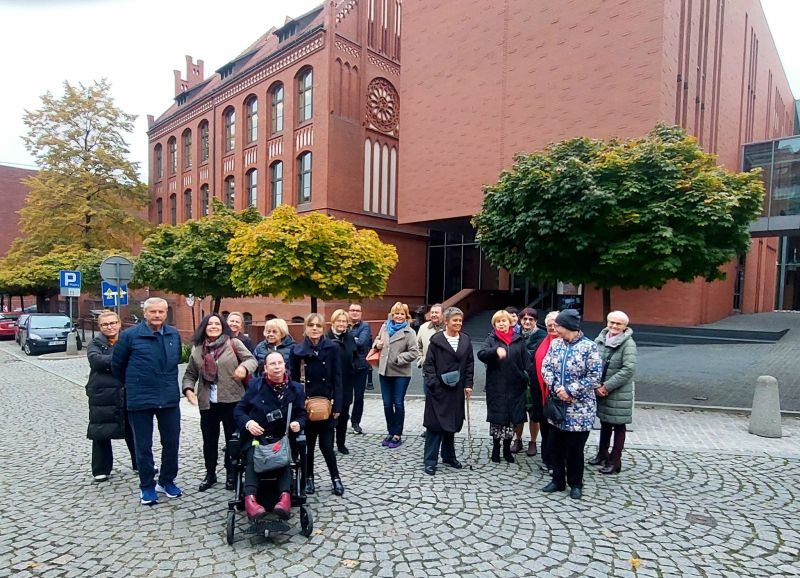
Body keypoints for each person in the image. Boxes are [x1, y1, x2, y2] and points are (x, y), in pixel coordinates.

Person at [112, 297, 183, 506]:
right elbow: (117, 366)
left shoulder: (173, 334)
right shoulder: (130, 336)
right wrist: (135, 384)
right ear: (145, 313)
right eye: (153, 311)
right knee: (143, 445)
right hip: (140, 397)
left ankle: (167, 480)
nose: (157, 315)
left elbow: (176, 360)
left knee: (171, 442)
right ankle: (147, 486)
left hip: (168, 397)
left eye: (161, 312)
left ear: (166, 313)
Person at [182, 313, 257, 492]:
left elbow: (251, 360)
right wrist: (188, 389)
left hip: (232, 399)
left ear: (223, 327)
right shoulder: (198, 349)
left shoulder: (233, 343)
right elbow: (190, 373)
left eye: (217, 324)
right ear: (204, 328)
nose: (213, 327)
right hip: (208, 402)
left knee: (233, 439)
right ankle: (210, 474)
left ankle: (232, 474)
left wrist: (243, 368)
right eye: (210, 324)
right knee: (209, 440)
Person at [234, 351, 306, 521]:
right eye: (272, 364)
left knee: (283, 457)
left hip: (282, 438)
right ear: (265, 368)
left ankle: (284, 499)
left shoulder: (296, 388)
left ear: (285, 365)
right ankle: (251, 500)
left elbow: (302, 414)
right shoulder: (256, 386)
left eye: (280, 363)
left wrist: (298, 423)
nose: (277, 367)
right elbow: (238, 410)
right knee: (253, 456)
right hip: (257, 437)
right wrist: (248, 423)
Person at [541, 308, 602, 500]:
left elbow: (594, 377)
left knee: (574, 449)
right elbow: (545, 367)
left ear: (567, 326)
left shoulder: (589, 347)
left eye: (557, 325)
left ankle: (575, 483)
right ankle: (557, 480)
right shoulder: (556, 344)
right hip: (557, 406)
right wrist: (556, 387)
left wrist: (570, 390)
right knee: (555, 446)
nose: (554, 329)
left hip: (580, 410)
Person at [289, 313, 344, 496]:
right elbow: (294, 381)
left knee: (327, 446)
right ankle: (309, 478)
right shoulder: (297, 351)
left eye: (318, 326)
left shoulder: (332, 348)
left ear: (323, 329)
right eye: (311, 325)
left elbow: (338, 377)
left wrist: (338, 405)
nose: (314, 329)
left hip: (327, 403)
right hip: (306, 405)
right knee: (308, 446)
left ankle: (335, 478)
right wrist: (297, 406)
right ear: (305, 328)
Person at [422, 307, 474, 475]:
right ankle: (430, 460)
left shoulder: (465, 340)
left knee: (451, 423)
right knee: (435, 425)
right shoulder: (436, 341)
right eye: (455, 320)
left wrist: (468, 384)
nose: (458, 323)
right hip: (439, 389)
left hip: (457, 389)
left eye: (460, 320)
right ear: (446, 321)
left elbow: (469, 364)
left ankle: (449, 456)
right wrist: (434, 384)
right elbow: (428, 365)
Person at [86, 310, 136, 482]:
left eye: (113, 323)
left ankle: (140, 463)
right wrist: (121, 359)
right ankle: (101, 469)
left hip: (126, 391)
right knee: (100, 430)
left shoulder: (127, 340)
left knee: (134, 429)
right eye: (105, 324)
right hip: (102, 394)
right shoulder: (95, 343)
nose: (109, 327)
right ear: (100, 327)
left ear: (119, 324)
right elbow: (96, 361)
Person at [477, 310, 530, 464]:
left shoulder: (518, 339)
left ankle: (507, 448)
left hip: (515, 387)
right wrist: (495, 351)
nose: (501, 324)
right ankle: (496, 448)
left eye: (504, 321)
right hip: (497, 387)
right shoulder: (491, 339)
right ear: (494, 325)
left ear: (510, 322)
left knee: (512, 420)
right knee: (497, 419)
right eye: (498, 322)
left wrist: (525, 377)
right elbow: (481, 354)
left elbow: (527, 362)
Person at [590, 310, 637, 475]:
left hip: (618, 392)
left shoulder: (628, 344)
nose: (614, 326)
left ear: (625, 326)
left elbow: (628, 370)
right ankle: (602, 454)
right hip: (601, 389)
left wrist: (606, 386)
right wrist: (596, 385)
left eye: (618, 324)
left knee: (618, 426)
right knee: (605, 422)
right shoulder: (600, 340)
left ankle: (615, 460)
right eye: (612, 322)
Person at [373, 302, 419, 448]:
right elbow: (377, 339)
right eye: (396, 313)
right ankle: (390, 431)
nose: (399, 316)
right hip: (384, 371)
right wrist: (377, 345)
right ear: (392, 315)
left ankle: (397, 434)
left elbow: (414, 352)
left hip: (401, 373)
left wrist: (399, 358)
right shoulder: (385, 327)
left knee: (398, 403)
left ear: (406, 316)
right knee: (387, 403)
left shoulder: (409, 332)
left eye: (402, 314)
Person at [511, 308, 548, 456]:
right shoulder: (515, 334)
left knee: (534, 413)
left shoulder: (542, 335)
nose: (527, 322)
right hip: (517, 379)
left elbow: (535, 356)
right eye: (524, 319)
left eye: (531, 319)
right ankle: (517, 439)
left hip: (534, 379)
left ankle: (532, 442)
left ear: (536, 321)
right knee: (518, 412)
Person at [326, 309, 357, 454]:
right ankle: (328, 445)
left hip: (346, 382)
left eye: (344, 321)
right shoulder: (326, 338)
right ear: (333, 322)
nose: (342, 324)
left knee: (343, 415)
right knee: (329, 416)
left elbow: (355, 355)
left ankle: (341, 444)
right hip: (330, 383)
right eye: (339, 321)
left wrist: (354, 367)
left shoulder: (349, 338)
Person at [533, 311, 560, 472]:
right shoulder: (542, 342)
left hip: (558, 396)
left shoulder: (565, 343)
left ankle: (557, 462)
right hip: (542, 395)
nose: (552, 327)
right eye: (549, 325)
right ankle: (547, 459)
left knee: (556, 432)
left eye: (555, 325)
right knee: (545, 429)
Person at [348, 303, 372, 434]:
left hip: (360, 366)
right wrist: (354, 339)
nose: (355, 312)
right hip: (345, 366)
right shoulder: (343, 324)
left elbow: (362, 342)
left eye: (357, 310)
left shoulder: (365, 326)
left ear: (361, 313)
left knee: (358, 397)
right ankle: (342, 418)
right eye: (352, 310)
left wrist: (347, 339)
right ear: (348, 312)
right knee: (344, 395)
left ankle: (355, 422)